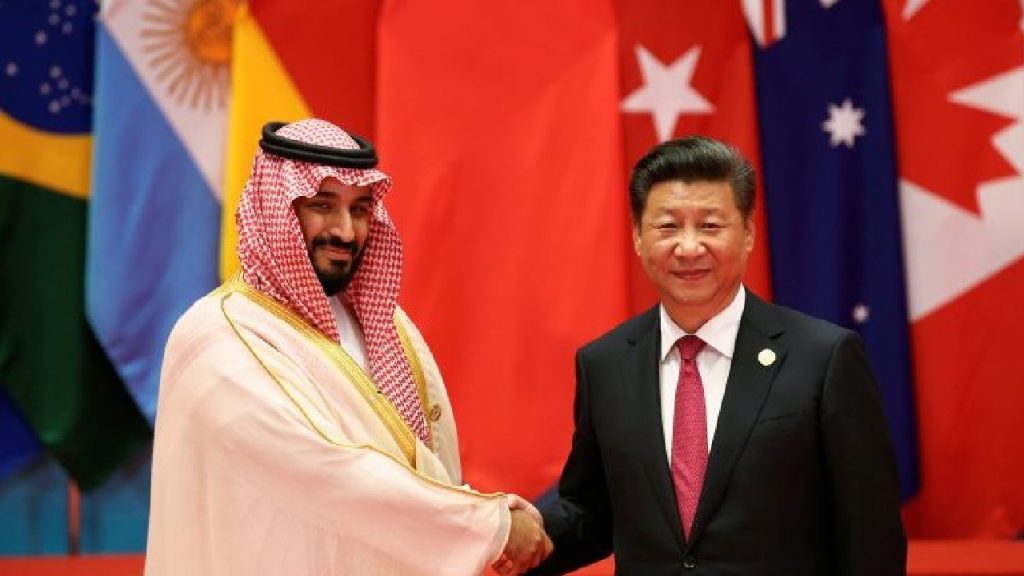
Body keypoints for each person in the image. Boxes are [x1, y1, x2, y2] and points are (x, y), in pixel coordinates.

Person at [145, 119, 551, 576]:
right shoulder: (215, 337)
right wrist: (485, 527)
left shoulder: (386, 322)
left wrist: (483, 524)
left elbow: (423, 462)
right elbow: (319, 472)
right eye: (323, 205)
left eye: (359, 209)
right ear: (276, 208)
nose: (345, 231)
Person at [531, 137, 906, 575]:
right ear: (637, 235)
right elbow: (592, 512)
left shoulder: (824, 359)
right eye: (668, 227)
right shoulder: (605, 364)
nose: (689, 248)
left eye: (710, 226)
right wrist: (510, 535)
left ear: (748, 232)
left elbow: (870, 537)